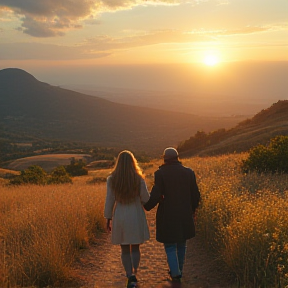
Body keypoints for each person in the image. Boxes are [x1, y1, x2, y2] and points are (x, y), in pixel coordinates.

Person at [144, 147, 200, 283]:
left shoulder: (160, 173)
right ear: (177, 157)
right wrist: (192, 210)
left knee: (169, 245)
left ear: (165, 158)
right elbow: (196, 195)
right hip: (185, 214)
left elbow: (156, 194)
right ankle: (178, 270)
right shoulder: (189, 172)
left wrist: (147, 206)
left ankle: (175, 273)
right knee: (182, 244)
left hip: (167, 214)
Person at [104, 150, 150, 288]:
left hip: (120, 215)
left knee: (124, 249)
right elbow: (146, 198)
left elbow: (109, 200)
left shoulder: (112, 179)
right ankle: (135, 274)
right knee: (135, 247)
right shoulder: (138, 178)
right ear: (132, 162)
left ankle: (129, 274)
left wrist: (108, 218)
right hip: (135, 214)